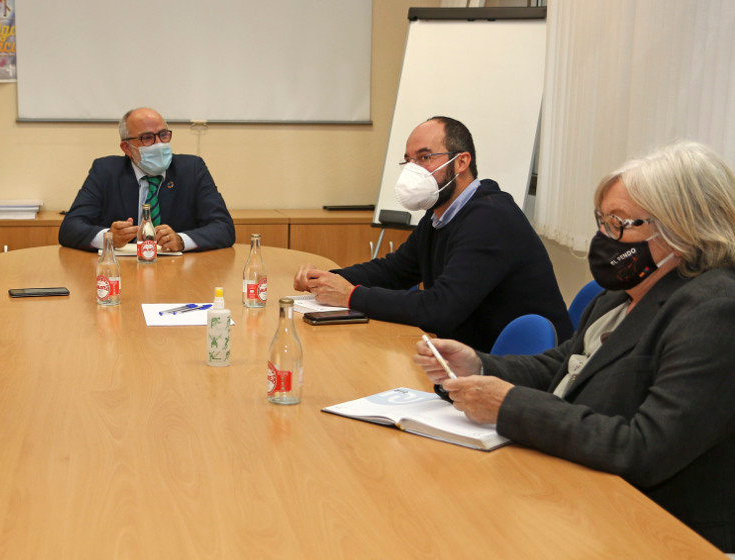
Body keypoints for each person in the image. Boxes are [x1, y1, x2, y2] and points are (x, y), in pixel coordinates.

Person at [415, 141, 735, 552]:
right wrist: (478, 366)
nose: (604, 238)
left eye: (620, 224)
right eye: (602, 221)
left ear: (682, 229)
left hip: (662, 532)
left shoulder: (715, 310)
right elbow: (565, 366)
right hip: (579, 493)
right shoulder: (622, 294)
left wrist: (509, 406)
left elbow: (645, 448)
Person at [294, 116, 572, 352]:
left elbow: (441, 308)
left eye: (425, 157)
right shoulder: (441, 213)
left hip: (518, 373)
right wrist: (329, 279)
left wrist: (350, 296)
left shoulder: (490, 218)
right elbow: (395, 271)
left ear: (461, 162)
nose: (414, 169)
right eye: (409, 161)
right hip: (469, 359)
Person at [58, 107, 235, 252]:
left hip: (179, 270)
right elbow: (70, 228)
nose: (159, 144)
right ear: (127, 148)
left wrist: (181, 240)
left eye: (163, 135)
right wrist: (109, 237)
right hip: (124, 271)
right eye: (147, 138)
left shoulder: (192, 169)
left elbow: (224, 228)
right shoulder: (105, 171)